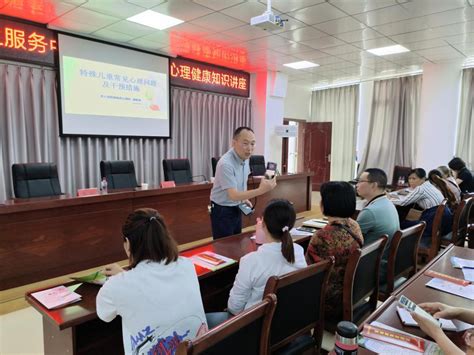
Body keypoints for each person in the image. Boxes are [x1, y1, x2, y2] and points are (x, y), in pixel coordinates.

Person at [96, 208, 207, 355]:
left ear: (128, 243)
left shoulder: (117, 286)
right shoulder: (187, 264)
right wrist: (125, 276)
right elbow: (153, 284)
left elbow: (104, 315)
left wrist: (123, 277)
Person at [227, 199, 307, 315]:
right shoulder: (298, 251)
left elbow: (234, 307)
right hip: (292, 316)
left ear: (263, 225)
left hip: (258, 324)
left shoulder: (250, 261)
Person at [306, 181, 363, 319]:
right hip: (355, 290)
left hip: (330, 300)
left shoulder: (322, 236)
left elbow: (306, 271)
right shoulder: (354, 225)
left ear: (325, 204)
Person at [210, 126, 277, 239]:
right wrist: (260, 190)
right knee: (224, 246)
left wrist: (244, 199)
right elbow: (233, 195)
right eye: (245, 143)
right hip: (222, 209)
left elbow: (240, 183)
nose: (249, 148)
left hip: (236, 205)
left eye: (252, 144)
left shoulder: (245, 158)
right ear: (234, 143)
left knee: (236, 241)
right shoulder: (225, 164)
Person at [356, 168, 400, 283]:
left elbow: (351, 242)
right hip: (387, 264)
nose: (357, 185)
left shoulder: (370, 211)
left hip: (372, 269)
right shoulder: (388, 203)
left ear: (373, 185)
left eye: (360, 181)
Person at [390, 168, 451, 246]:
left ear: (422, 179)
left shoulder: (420, 189)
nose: (411, 181)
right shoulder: (428, 185)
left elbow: (403, 203)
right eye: (409, 178)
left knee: (401, 223)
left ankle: (398, 246)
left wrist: (388, 199)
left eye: (414, 178)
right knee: (405, 219)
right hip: (443, 222)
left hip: (432, 223)